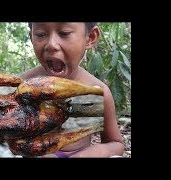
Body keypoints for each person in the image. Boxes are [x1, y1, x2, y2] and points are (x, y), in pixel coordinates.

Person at [20, 22, 124, 158]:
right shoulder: (23, 86)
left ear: (90, 37)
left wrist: (88, 154)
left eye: (64, 33)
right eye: (40, 34)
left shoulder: (95, 91)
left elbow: (116, 143)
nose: (52, 44)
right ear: (31, 37)